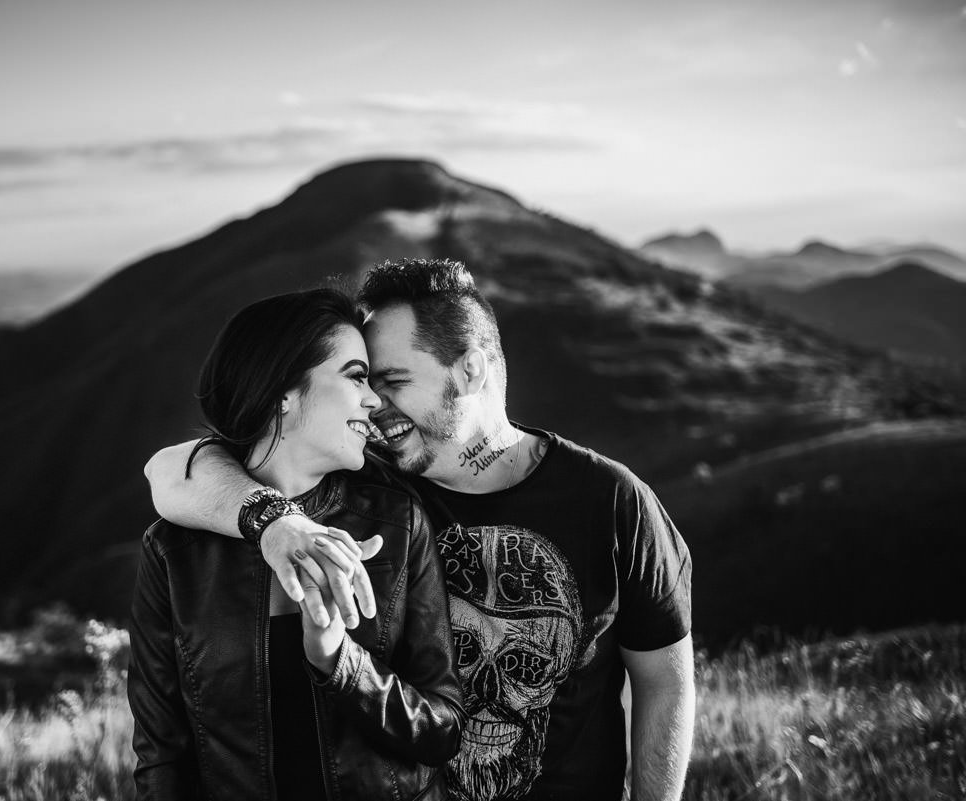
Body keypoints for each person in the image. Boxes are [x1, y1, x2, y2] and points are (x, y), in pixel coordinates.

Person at [145, 260, 695, 801]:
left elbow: (664, 682)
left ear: (470, 369)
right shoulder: (370, 488)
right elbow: (174, 468)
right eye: (364, 380)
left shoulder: (611, 500)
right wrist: (275, 519)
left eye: (394, 381)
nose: (375, 406)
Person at [128, 288, 463, 801]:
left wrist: (339, 662)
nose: (374, 400)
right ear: (282, 391)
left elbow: (443, 729)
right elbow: (162, 755)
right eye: (355, 377)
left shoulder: (395, 523)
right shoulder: (173, 552)